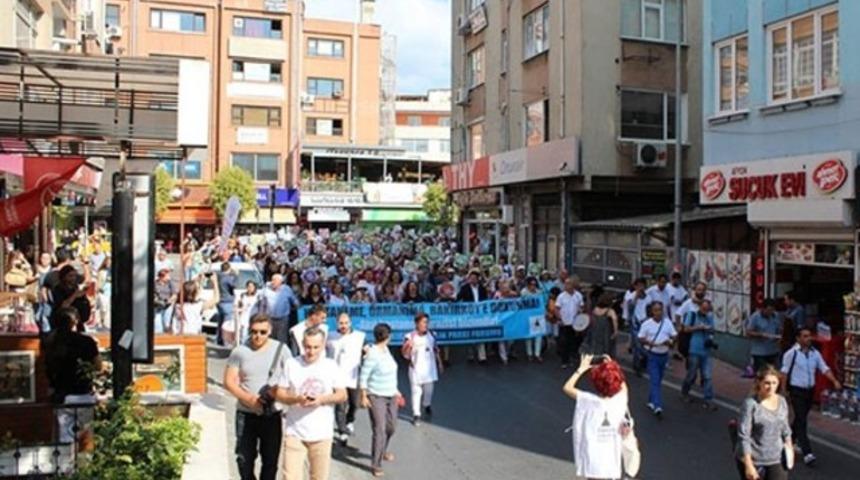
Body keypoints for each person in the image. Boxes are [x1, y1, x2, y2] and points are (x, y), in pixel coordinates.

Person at [272, 327, 347, 480]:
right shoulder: (291, 364)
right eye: (307, 347)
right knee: (290, 476)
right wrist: (296, 399)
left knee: (318, 476)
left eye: (315, 347)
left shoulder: (330, 366)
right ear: (302, 344)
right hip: (295, 431)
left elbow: (342, 394)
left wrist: (321, 399)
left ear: (323, 345)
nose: (311, 351)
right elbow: (280, 393)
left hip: (321, 434)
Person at [224, 314, 290, 480]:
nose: (258, 336)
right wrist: (250, 400)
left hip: (271, 413)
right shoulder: (239, 351)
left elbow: (291, 378)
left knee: (270, 460)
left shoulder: (282, 350)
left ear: (270, 331)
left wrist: (275, 392)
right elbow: (229, 382)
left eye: (262, 332)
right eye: (254, 331)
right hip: (246, 414)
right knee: (244, 459)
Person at [562, 354, 630, 480]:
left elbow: (567, 387)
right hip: (611, 462)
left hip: (592, 460)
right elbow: (622, 385)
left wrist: (581, 368)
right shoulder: (620, 401)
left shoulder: (588, 400)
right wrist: (613, 367)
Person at [780, 327, 841, 466]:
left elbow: (824, 368)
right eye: (805, 336)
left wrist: (834, 381)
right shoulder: (791, 354)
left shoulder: (815, 354)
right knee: (801, 420)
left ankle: (789, 440)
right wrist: (784, 391)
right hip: (797, 391)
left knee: (800, 419)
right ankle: (807, 452)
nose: (808, 339)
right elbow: (784, 372)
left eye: (809, 336)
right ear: (798, 338)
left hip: (810, 391)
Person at [44, 307, 101, 445]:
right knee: (85, 438)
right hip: (83, 394)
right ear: (75, 321)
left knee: (64, 439)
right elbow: (98, 366)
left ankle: (65, 465)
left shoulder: (50, 342)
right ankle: (85, 464)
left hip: (61, 396)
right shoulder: (87, 341)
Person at [736, 365, 793, 480]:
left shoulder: (781, 401)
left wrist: (789, 447)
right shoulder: (750, 404)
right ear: (759, 383)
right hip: (755, 460)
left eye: (774, 383)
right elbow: (744, 436)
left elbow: (785, 428)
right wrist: (748, 465)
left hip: (777, 459)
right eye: (767, 383)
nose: (771, 387)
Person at [359, 323, 401, 477]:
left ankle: (383, 449)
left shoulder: (386, 350)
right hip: (376, 395)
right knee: (379, 429)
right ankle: (376, 464)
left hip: (392, 394)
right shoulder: (372, 353)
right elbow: (364, 376)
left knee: (391, 427)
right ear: (387, 336)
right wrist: (364, 395)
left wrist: (396, 390)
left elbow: (391, 372)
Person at [327, 313, 366, 446]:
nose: (343, 326)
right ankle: (342, 431)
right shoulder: (330, 336)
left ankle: (349, 421)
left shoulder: (360, 336)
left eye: (346, 323)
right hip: (337, 377)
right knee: (340, 405)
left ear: (350, 323)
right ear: (336, 323)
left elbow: (366, 350)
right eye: (341, 323)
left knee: (355, 404)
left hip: (353, 376)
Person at [402, 312, 442, 426]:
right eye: (423, 322)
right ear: (416, 323)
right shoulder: (409, 336)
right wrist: (407, 347)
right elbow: (404, 354)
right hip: (415, 368)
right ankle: (416, 414)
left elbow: (435, 349)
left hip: (429, 368)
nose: (426, 325)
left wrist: (440, 363)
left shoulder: (431, 335)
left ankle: (426, 404)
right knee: (416, 392)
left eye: (427, 322)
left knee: (429, 390)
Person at [638, 302, 676, 417]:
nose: (658, 312)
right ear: (652, 312)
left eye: (660, 310)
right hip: (652, 355)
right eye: (656, 310)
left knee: (658, 379)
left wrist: (670, 341)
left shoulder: (667, 323)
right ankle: (657, 405)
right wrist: (652, 343)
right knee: (655, 380)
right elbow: (640, 338)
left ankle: (651, 400)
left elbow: (674, 335)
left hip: (664, 355)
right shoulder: (646, 324)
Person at [681, 299, 718, 411]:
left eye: (707, 309)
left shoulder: (710, 317)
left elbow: (712, 330)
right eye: (704, 308)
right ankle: (684, 392)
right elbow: (686, 329)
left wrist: (710, 332)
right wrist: (699, 327)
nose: (705, 311)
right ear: (700, 307)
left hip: (706, 351)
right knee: (692, 374)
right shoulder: (692, 315)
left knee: (707, 376)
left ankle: (708, 399)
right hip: (694, 350)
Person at [456, 269, 489, 364]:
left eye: (475, 278)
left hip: (480, 315)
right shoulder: (465, 288)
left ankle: (482, 356)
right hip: (469, 315)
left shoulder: (482, 288)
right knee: (470, 334)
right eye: (471, 278)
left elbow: (485, 300)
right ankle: (470, 354)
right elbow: (459, 298)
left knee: (481, 334)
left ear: (478, 279)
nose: (473, 280)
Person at [555, 278, 585, 369]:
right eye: (566, 284)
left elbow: (581, 306)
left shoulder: (578, 295)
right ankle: (564, 361)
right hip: (564, 323)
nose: (566, 286)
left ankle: (572, 358)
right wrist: (560, 319)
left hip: (575, 323)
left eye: (568, 284)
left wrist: (581, 312)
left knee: (574, 342)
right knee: (564, 342)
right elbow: (557, 308)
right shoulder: (561, 296)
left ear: (573, 286)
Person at [51, 265, 91, 332]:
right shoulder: (58, 289)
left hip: (78, 321)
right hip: (65, 323)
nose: (73, 278)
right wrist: (75, 295)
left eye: (74, 276)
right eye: (70, 276)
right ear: (64, 277)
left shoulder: (75, 287)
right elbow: (63, 306)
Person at [746, 299, 782, 371]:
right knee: (762, 374)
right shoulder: (755, 317)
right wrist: (761, 335)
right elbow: (748, 332)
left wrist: (779, 337)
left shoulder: (775, 316)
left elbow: (779, 329)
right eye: (768, 310)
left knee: (772, 373)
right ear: (763, 308)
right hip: (759, 352)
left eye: (772, 310)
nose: (770, 313)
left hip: (773, 350)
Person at [583, 292, 618, 358]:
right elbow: (614, 320)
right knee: (607, 348)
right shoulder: (610, 311)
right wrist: (615, 332)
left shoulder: (595, 309)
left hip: (595, 331)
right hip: (606, 333)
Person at [627, 278, 649, 375]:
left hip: (645, 323)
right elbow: (630, 308)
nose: (641, 287)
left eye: (642, 285)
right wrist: (636, 296)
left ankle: (642, 362)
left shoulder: (649, 297)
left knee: (644, 345)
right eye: (638, 285)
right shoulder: (631, 296)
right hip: (635, 324)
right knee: (637, 345)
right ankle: (637, 366)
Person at [231, 281, 262, 346]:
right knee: (244, 335)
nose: (250, 288)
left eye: (252, 286)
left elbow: (261, 307)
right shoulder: (242, 295)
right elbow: (236, 306)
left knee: (253, 333)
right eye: (248, 286)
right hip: (244, 318)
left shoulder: (258, 296)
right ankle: (243, 347)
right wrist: (240, 309)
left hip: (254, 318)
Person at [216, 262, 238, 346]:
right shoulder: (227, 278)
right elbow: (234, 285)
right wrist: (236, 275)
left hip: (219, 301)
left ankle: (219, 339)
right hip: (227, 301)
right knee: (227, 323)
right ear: (229, 268)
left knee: (220, 321)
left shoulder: (218, 276)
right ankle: (226, 342)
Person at [154, 268, 177, 334]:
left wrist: (169, 300)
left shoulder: (170, 283)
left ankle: (166, 334)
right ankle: (159, 335)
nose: (169, 277)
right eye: (167, 276)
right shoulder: (155, 284)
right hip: (158, 305)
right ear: (162, 277)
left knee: (166, 323)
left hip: (168, 305)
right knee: (157, 323)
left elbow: (174, 294)